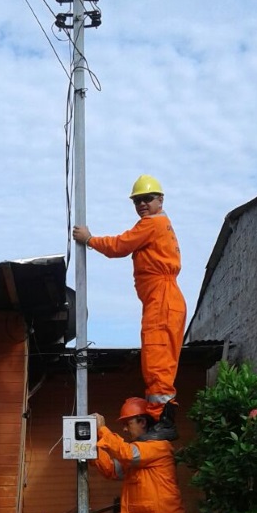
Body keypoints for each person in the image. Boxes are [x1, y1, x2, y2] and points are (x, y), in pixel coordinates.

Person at [73, 175, 186, 438]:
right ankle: (162, 421)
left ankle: (162, 423)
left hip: (162, 300)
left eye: (147, 199)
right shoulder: (161, 224)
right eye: (137, 201)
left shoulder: (152, 224)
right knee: (160, 362)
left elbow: (120, 246)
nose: (142, 204)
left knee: (157, 361)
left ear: (160, 200)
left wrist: (89, 239)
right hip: (164, 299)